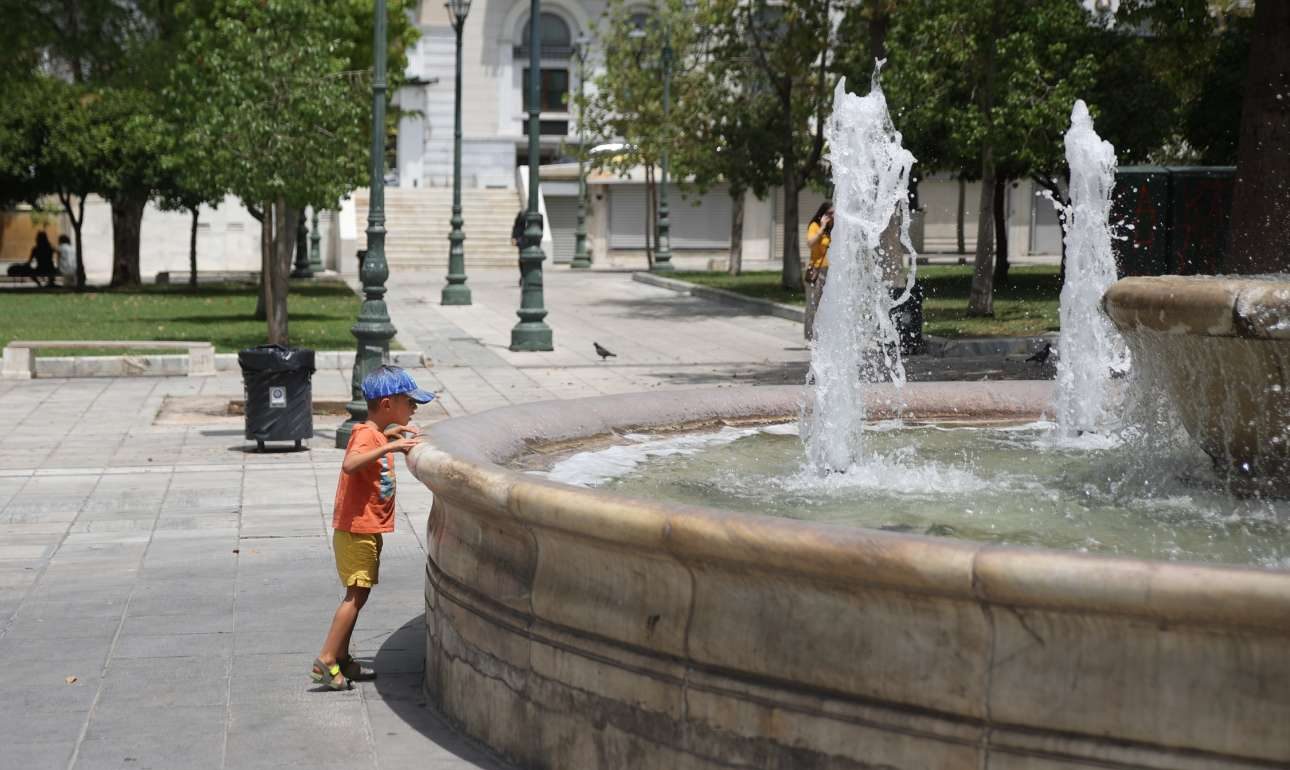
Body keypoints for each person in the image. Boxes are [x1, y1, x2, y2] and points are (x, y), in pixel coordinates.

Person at [311, 365, 433, 690]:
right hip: (356, 530)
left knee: (360, 594)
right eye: (410, 402)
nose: (414, 408)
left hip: (365, 528)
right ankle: (326, 658)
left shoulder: (375, 433)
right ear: (388, 404)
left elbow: (371, 445)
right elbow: (350, 463)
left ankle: (342, 658)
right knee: (354, 596)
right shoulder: (364, 434)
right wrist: (389, 446)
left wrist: (388, 435)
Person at [804, 201, 834, 340]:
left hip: (831, 272)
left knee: (827, 306)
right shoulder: (815, 226)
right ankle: (810, 337)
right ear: (822, 214)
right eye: (829, 214)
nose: (832, 217)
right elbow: (810, 244)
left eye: (834, 214)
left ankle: (824, 337)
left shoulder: (834, 229)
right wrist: (822, 228)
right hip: (817, 270)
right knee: (813, 305)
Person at [511, 210, 527, 285]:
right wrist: (514, 237)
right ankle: (523, 275)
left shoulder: (539, 215)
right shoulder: (522, 214)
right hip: (522, 240)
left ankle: (528, 275)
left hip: (532, 240)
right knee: (522, 258)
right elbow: (516, 226)